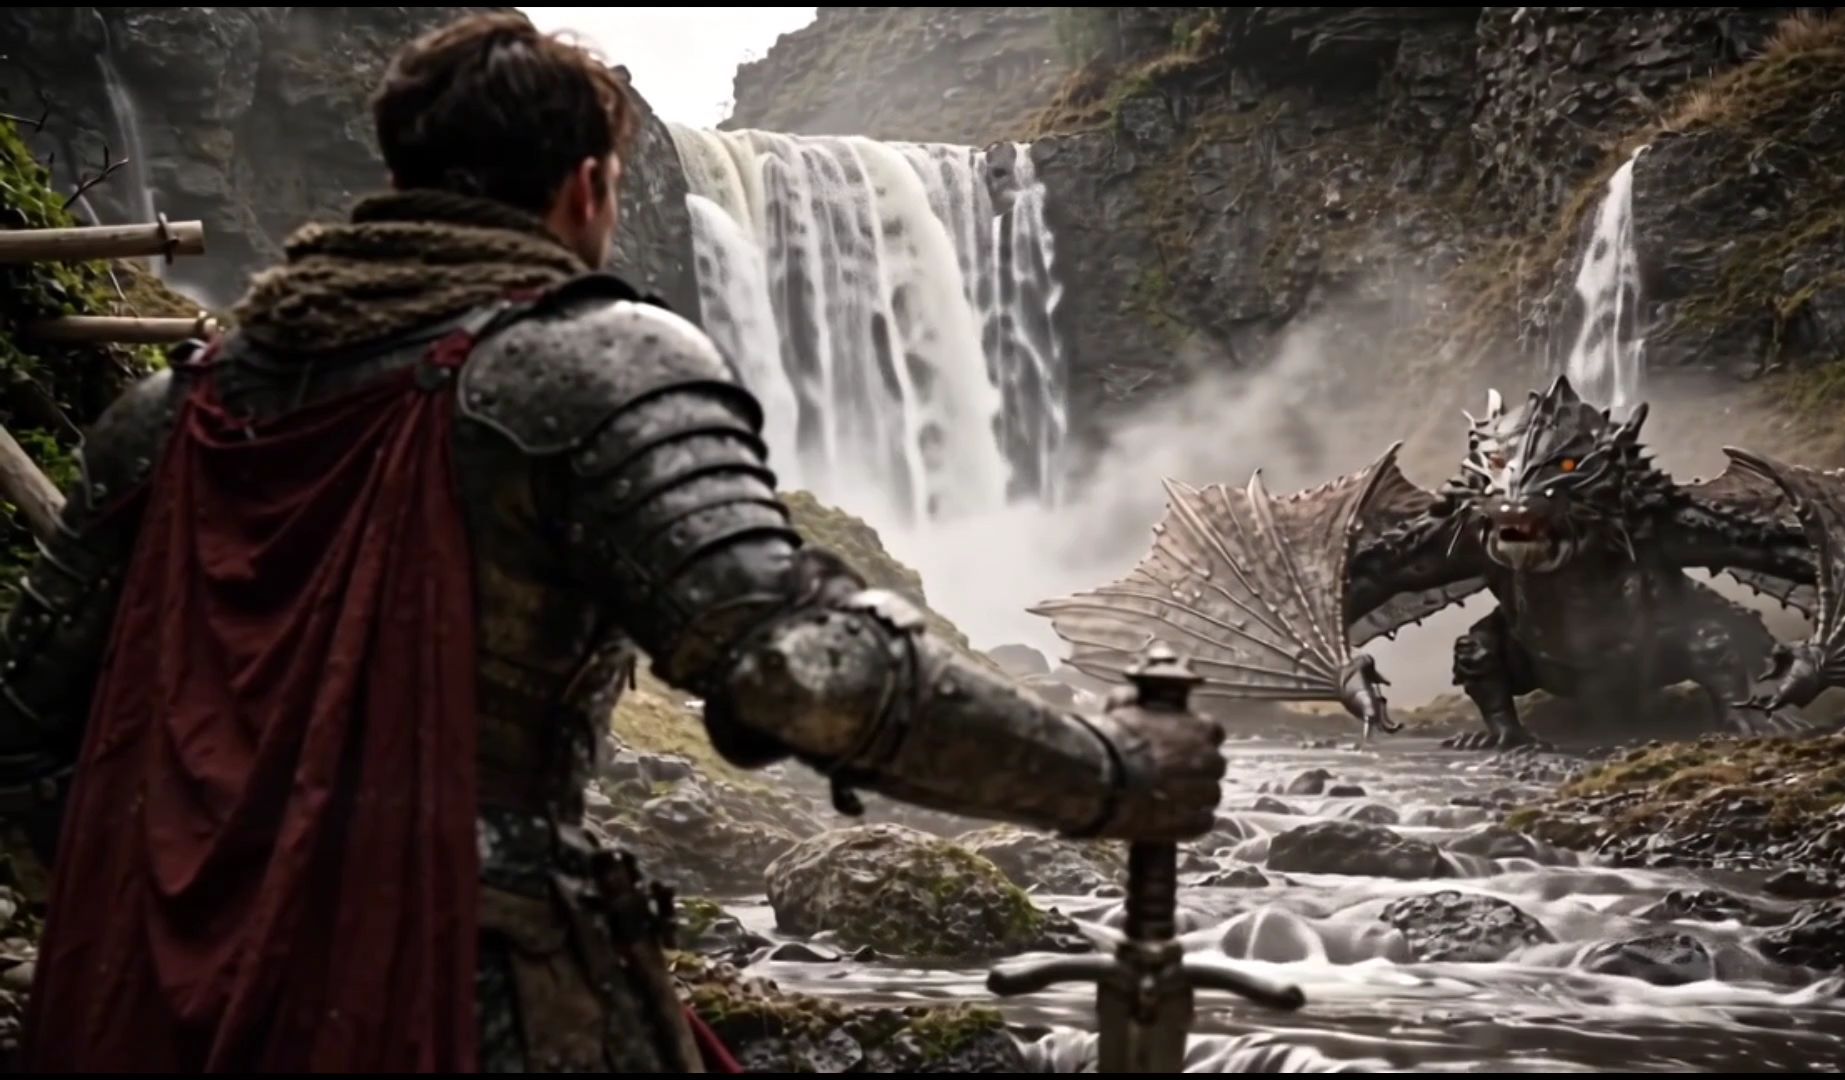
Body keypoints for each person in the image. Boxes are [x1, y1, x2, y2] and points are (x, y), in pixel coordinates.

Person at [0, 10, 1226, 1074]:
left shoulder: (170, 412)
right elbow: (801, 669)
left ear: (403, 174)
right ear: (587, 188)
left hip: (155, 991)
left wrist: (187, 893)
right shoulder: (590, 366)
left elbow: (20, 745)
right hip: (474, 989)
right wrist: (1113, 771)